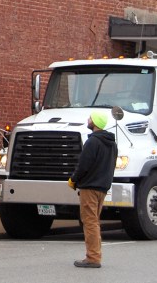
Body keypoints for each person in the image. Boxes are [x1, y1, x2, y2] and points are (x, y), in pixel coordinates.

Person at [68, 110, 117, 269]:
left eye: (90, 118)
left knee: (90, 222)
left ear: (95, 122)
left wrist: (74, 179)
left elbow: (84, 165)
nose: (88, 120)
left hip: (89, 187)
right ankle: (94, 255)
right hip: (102, 187)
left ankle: (93, 257)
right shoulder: (112, 144)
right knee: (94, 221)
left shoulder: (92, 142)